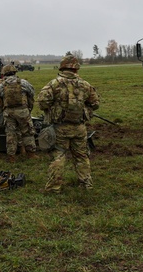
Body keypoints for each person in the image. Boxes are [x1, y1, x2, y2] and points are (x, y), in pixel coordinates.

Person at [37, 55, 100, 191]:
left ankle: (54, 187)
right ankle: (86, 184)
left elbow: (42, 102)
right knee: (82, 156)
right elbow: (95, 103)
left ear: (62, 67)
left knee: (58, 156)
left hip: (60, 128)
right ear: (76, 68)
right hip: (79, 127)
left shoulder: (54, 83)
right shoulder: (85, 84)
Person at [0, 64, 36, 158]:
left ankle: (11, 156)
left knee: (10, 135)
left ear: (4, 74)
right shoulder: (23, 83)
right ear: (15, 72)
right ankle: (31, 154)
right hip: (23, 111)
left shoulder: (1, 85)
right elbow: (32, 93)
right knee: (27, 133)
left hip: (8, 112)